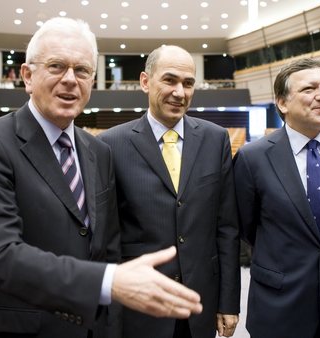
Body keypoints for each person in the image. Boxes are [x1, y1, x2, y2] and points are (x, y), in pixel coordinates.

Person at [0, 18, 202, 338]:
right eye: (57, 66)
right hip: (20, 329)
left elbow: (107, 248)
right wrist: (107, 282)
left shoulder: (97, 151)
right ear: (27, 76)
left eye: (83, 70)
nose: (71, 80)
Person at [98, 45, 240, 338]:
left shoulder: (216, 140)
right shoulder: (111, 145)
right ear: (145, 82)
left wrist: (228, 302)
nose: (180, 92)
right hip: (139, 304)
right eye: (170, 80)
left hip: (199, 303)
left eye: (188, 84)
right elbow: (106, 235)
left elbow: (226, 228)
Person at [233, 58, 320, 338]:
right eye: (309, 89)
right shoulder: (253, 158)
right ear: (283, 103)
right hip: (281, 303)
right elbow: (247, 229)